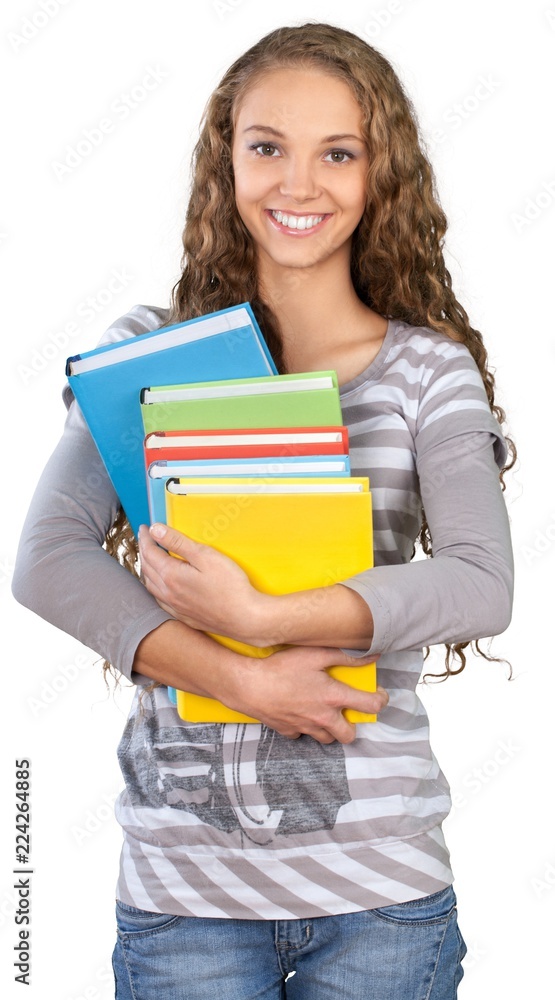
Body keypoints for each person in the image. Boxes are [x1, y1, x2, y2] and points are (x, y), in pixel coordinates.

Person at [12, 21, 514, 1000]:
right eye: (266, 146)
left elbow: (480, 584)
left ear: (381, 174)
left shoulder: (426, 372)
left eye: (338, 152)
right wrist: (243, 678)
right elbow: (46, 559)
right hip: (183, 899)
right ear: (224, 161)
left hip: (381, 900)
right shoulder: (150, 351)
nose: (298, 183)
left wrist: (263, 618)